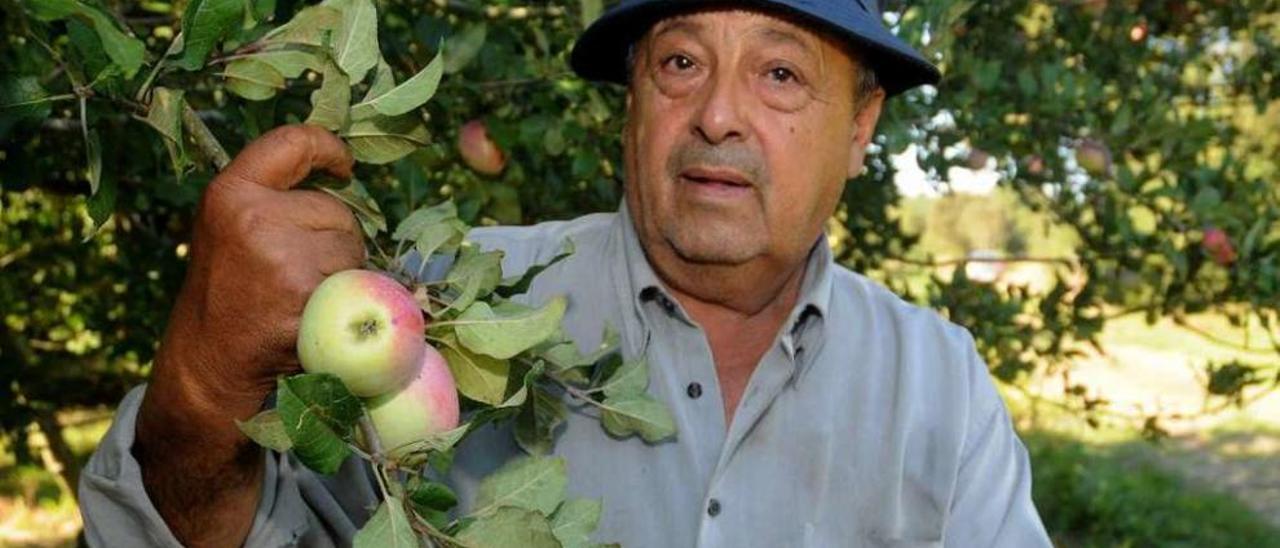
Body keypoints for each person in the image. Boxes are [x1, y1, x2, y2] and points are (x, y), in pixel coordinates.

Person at [79, 0, 1053, 546]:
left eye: (779, 73)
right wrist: (204, 392)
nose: (716, 114)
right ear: (631, 103)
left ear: (860, 126)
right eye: (678, 63)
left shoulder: (939, 382)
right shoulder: (439, 302)